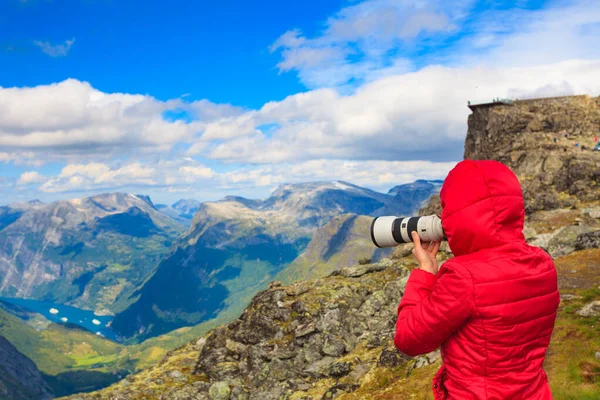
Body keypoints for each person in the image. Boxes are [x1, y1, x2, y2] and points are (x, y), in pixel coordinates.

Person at [394, 160, 559, 399]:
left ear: (460, 214)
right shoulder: (543, 264)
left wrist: (425, 274)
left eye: (447, 208)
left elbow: (408, 339)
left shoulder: (463, 277)